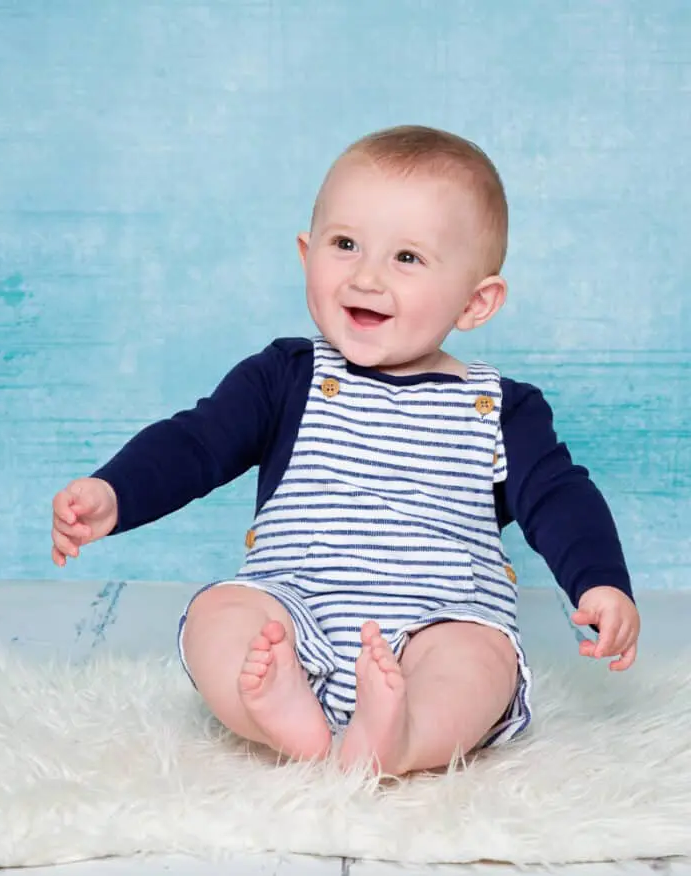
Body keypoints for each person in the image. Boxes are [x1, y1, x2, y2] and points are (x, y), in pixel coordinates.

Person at [51, 125, 640, 776]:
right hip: (292, 611)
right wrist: (115, 491)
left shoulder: (502, 409)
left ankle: (402, 736)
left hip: (438, 620)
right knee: (217, 616)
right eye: (345, 244)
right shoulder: (287, 376)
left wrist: (601, 581)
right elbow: (197, 441)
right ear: (308, 253)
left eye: (407, 258)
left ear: (476, 302)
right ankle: (284, 714)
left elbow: (558, 496)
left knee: (481, 663)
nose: (366, 276)